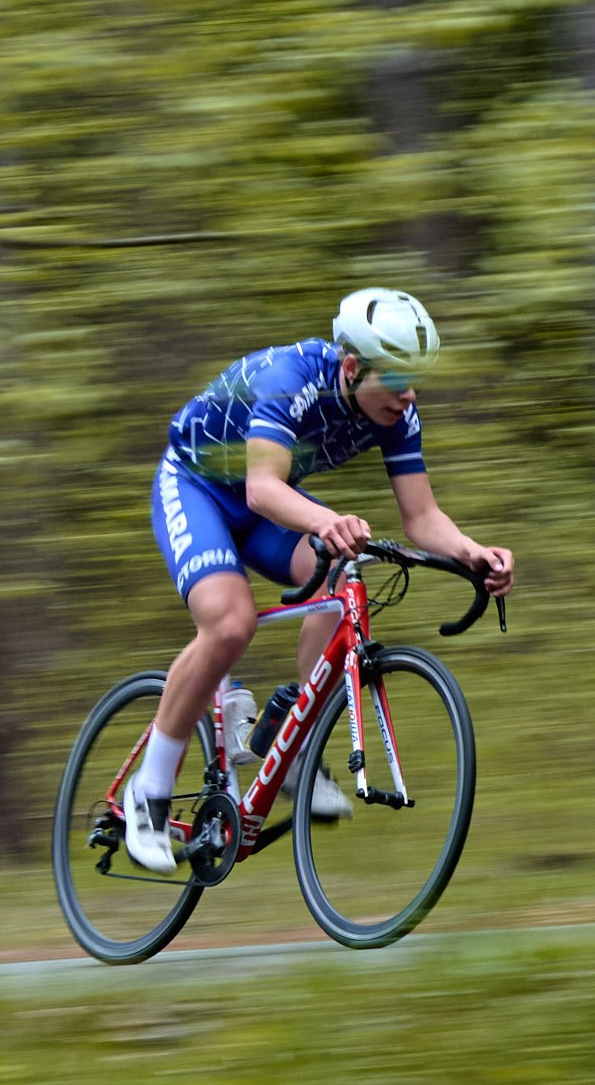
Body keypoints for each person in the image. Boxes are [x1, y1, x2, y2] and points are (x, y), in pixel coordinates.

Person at [126, 287, 514, 874]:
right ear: (352, 367)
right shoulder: (291, 379)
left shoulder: (395, 410)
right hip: (197, 486)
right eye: (399, 378)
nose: (410, 394)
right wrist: (328, 520)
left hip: (262, 501)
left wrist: (473, 552)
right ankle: (148, 794)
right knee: (229, 624)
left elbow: (422, 518)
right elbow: (261, 488)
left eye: (417, 380)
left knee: (342, 584)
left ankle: (294, 743)